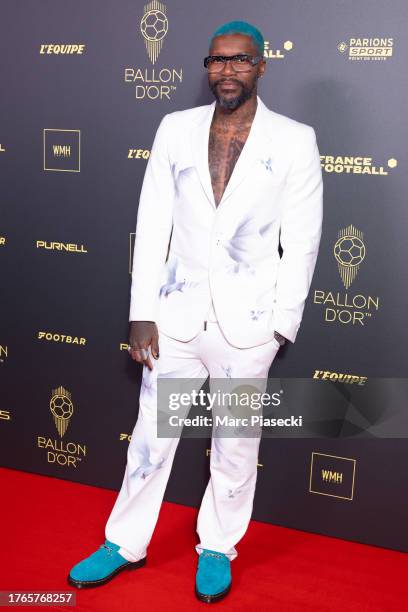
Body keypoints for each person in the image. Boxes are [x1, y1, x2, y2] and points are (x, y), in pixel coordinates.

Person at [68, 20, 323, 604]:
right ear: (206, 67)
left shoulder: (293, 139)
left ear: (262, 65)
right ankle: (124, 543)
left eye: (240, 60)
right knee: (150, 441)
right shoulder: (175, 129)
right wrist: (141, 310)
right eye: (217, 60)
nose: (227, 70)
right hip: (174, 319)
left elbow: (302, 241)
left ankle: (216, 546)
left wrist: (281, 325)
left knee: (236, 443)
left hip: (248, 327)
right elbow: (153, 219)